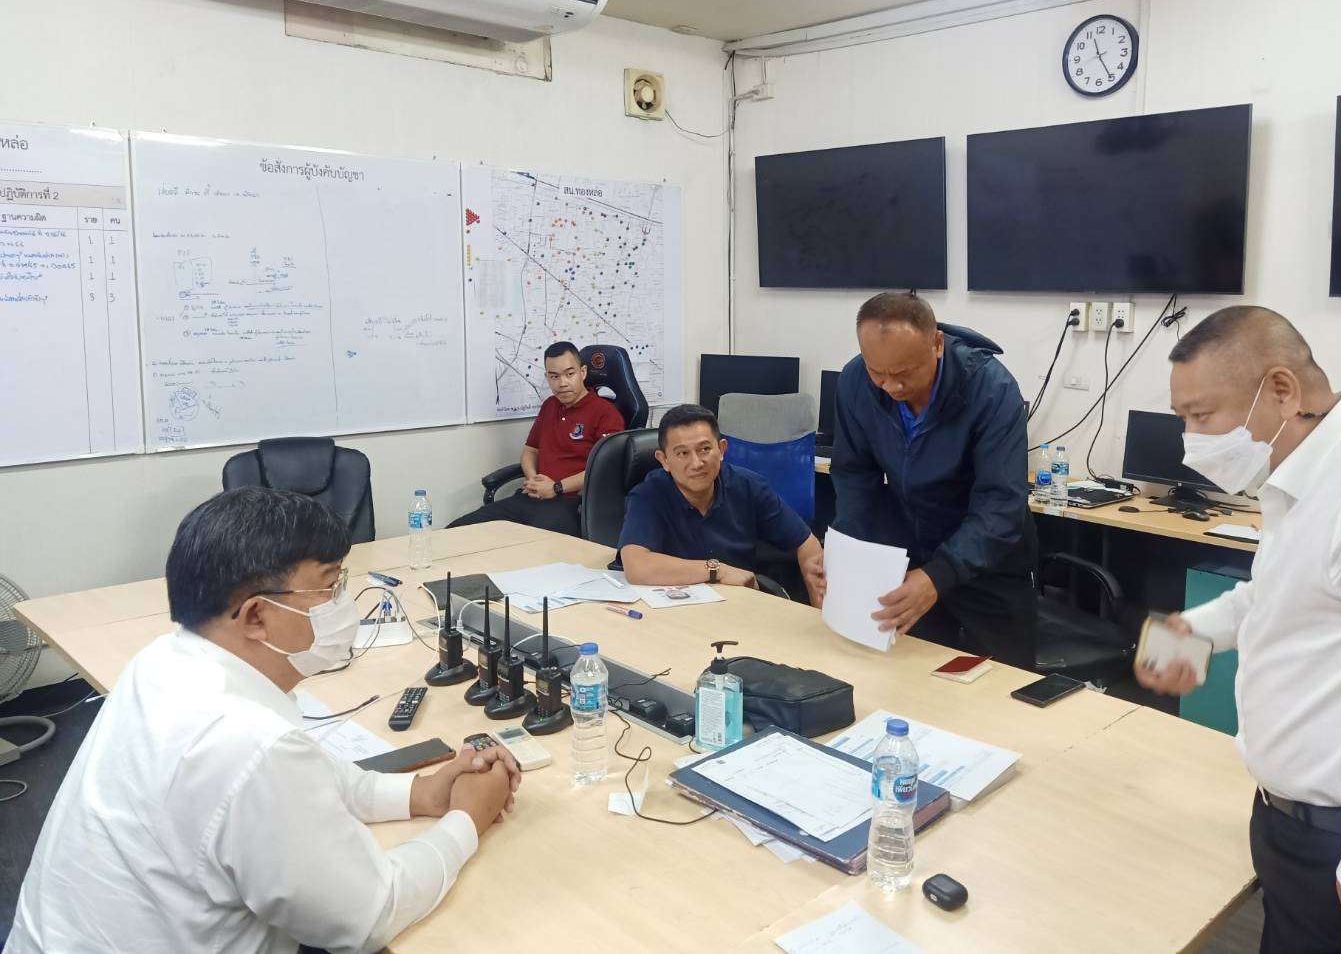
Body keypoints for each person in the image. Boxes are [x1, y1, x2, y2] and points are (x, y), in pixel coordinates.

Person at [7, 487, 521, 954]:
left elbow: (309, 780)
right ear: (255, 616)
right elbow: (368, 916)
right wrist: (466, 819)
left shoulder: (164, 660)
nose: (343, 604)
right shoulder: (251, 744)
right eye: (330, 586)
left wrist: (421, 793)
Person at [1135, 306, 1341, 954]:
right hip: (1297, 827)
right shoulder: (1309, 475)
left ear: (1281, 390)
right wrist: (1192, 631)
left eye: (1200, 416)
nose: (1189, 442)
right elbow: (1280, 596)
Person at [829, 292, 1036, 667]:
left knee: (1001, 683)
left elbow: (1001, 502)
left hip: (987, 561)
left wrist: (939, 575)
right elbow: (854, 474)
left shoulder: (991, 389)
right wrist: (850, 554)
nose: (891, 387)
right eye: (878, 373)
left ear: (937, 343)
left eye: (904, 373)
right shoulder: (855, 381)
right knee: (911, 674)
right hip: (909, 557)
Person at [619, 404, 825, 597]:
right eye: (682, 453)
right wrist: (716, 570)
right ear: (664, 460)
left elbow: (807, 544)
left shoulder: (749, 486)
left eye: (704, 449)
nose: (696, 463)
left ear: (722, 449)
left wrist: (820, 614)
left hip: (740, 603)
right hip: (674, 606)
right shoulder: (649, 495)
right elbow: (637, 566)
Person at [450, 341, 624, 535]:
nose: (562, 383)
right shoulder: (550, 405)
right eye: (554, 376)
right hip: (533, 497)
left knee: (524, 543)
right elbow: (530, 451)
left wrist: (556, 488)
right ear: (547, 378)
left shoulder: (605, 413)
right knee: (457, 530)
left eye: (569, 374)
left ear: (582, 372)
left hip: (571, 504)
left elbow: (604, 470)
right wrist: (533, 480)